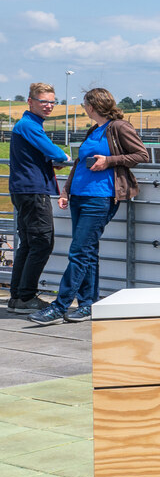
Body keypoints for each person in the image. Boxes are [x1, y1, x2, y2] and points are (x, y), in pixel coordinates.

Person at [29, 89, 148, 325]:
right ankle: (88, 305)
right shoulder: (94, 130)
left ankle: (59, 305)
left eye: (85, 104)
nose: (84, 107)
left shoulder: (119, 127)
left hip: (100, 198)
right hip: (80, 197)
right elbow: (79, 164)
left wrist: (109, 161)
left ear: (93, 106)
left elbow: (141, 154)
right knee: (88, 253)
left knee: (79, 251)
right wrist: (66, 190)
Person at [8, 83, 70, 314]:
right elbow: (54, 152)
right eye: (43, 101)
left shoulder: (27, 125)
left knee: (29, 243)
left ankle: (17, 297)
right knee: (43, 242)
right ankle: (26, 296)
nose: (48, 106)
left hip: (24, 190)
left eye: (52, 102)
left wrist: (50, 162)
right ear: (30, 101)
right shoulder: (29, 125)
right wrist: (62, 156)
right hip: (33, 191)